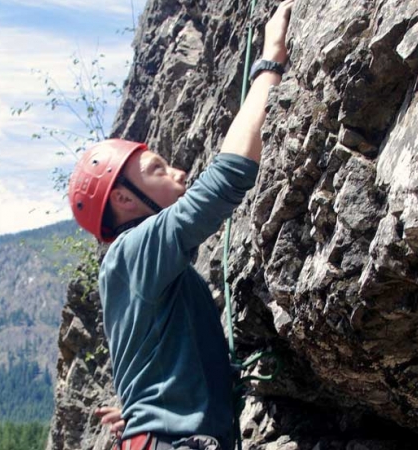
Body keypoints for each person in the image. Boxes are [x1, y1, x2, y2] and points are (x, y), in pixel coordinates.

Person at [68, 2, 295, 449]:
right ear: (124, 198)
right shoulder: (132, 251)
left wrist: (139, 409)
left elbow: (154, 357)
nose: (178, 172)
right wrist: (270, 62)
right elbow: (225, 181)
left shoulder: (132, 268)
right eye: (158, 168)